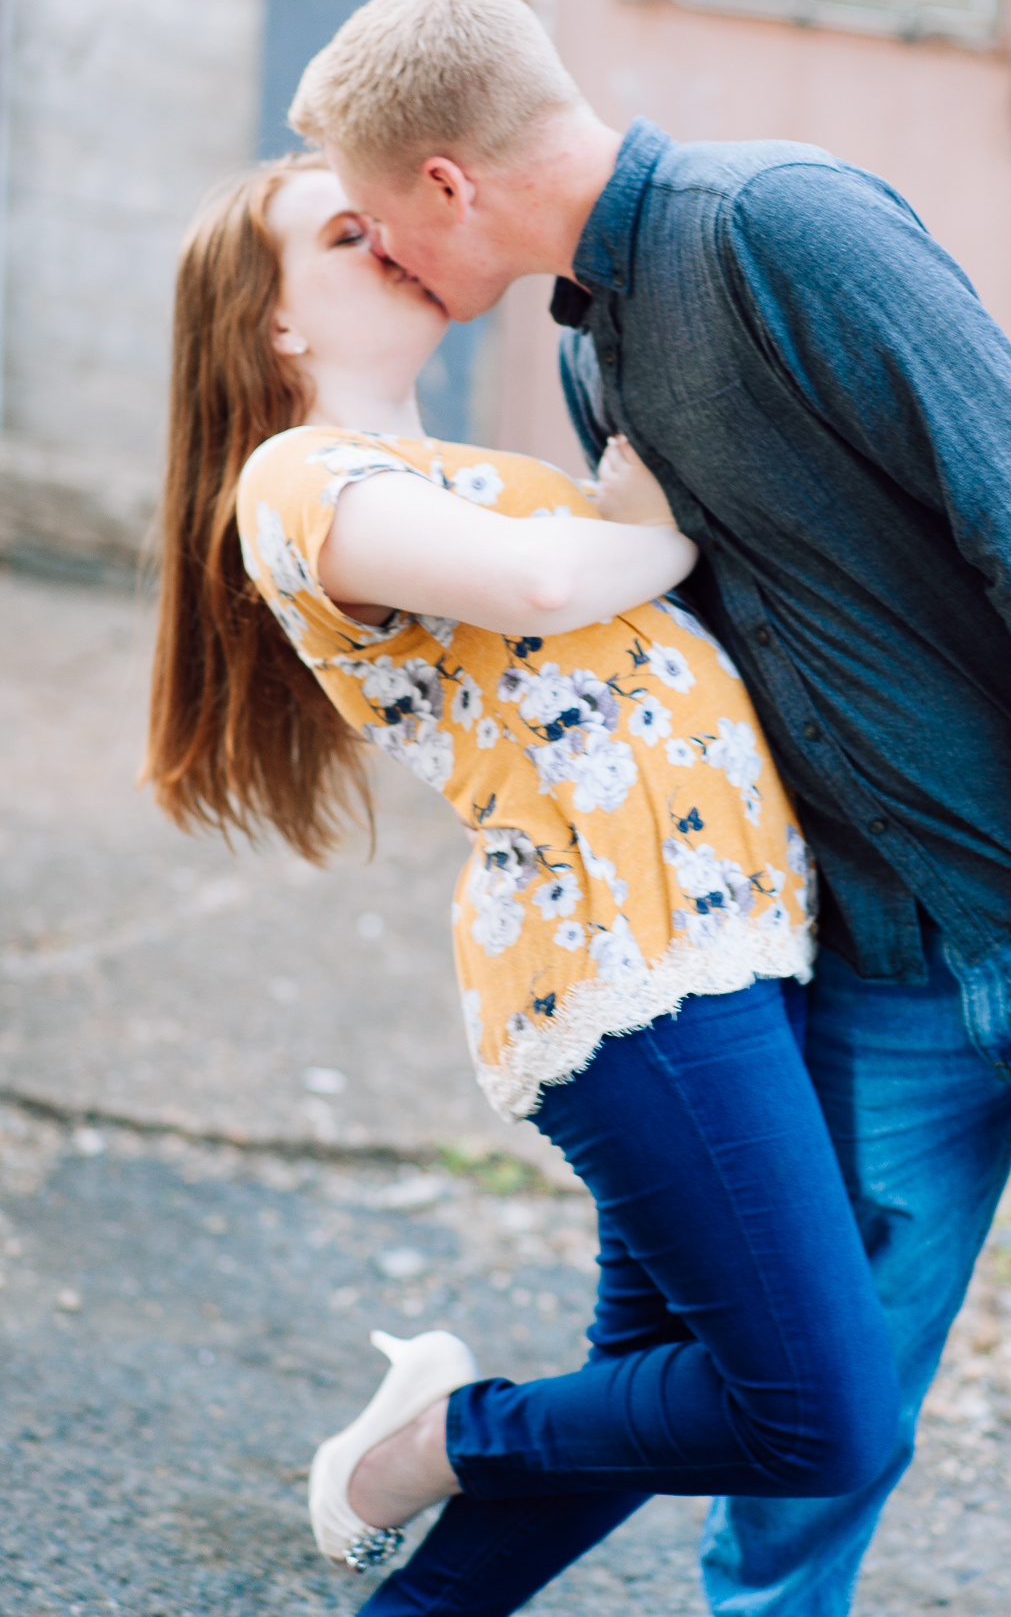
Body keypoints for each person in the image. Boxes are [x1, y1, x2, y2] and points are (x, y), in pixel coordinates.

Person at [283, 0, 1011, 1616]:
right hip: (893, 968)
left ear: (447, 183)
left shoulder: (781, 222)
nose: (387, 257)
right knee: (817, 1430)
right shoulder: (603, 361)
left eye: (373, 219)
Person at [144, 150, 901, 1616]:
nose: (388, 241)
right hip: (625, 974)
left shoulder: (500, 481)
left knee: (639, 1405)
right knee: (821, 1411)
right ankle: (423, 1443)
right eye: (345, 230)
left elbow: (591, 557)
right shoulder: (297, 479)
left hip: (731, 951)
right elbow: (557, 585)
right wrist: (655, 529)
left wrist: (624, 525)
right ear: (276, 322)